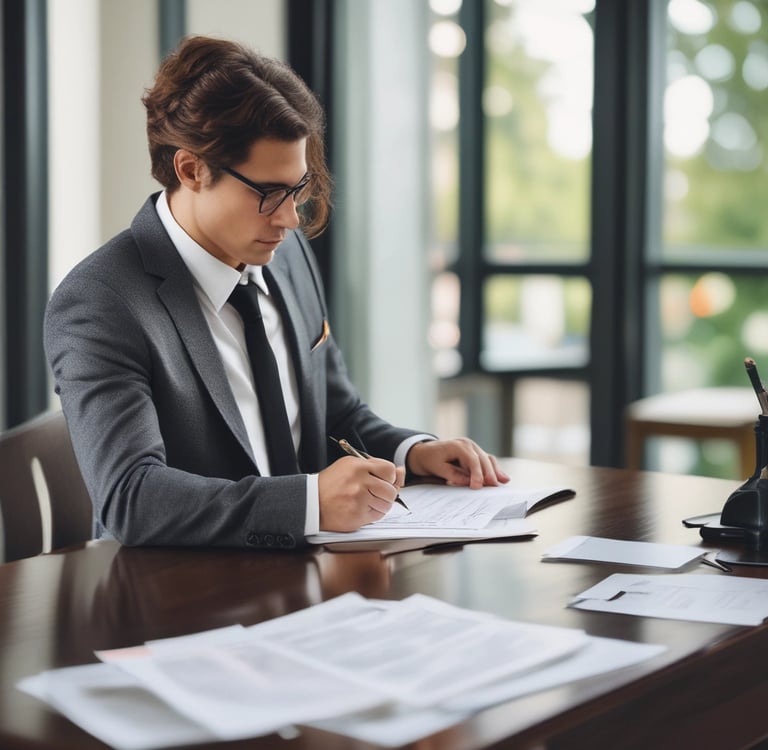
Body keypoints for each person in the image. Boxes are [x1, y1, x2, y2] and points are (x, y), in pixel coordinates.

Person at [44, 35, 509, 550]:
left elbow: (335, 413)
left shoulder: (284, 252)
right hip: (175, 595)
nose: (290, 219)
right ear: (191, 169)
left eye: (299, 189)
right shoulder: (99, 303)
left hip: (307, 577)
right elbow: (131, 497)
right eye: (269, 194)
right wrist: (309, 503)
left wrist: (412, 452)